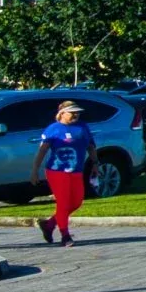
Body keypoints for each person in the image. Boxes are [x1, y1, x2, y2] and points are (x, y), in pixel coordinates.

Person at [36, 100, 94, 247]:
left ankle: (49, 225)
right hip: (57, 171)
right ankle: (65, 235)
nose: (75, 115)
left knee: (76, 202)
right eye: (72, 113)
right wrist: (35, 170)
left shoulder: (82, 127)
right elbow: (42, 151)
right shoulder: (53, 129)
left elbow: (90, 146)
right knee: (63, 203)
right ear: (62, 113)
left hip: (76, 170)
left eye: (77, 113)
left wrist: (95, 163)